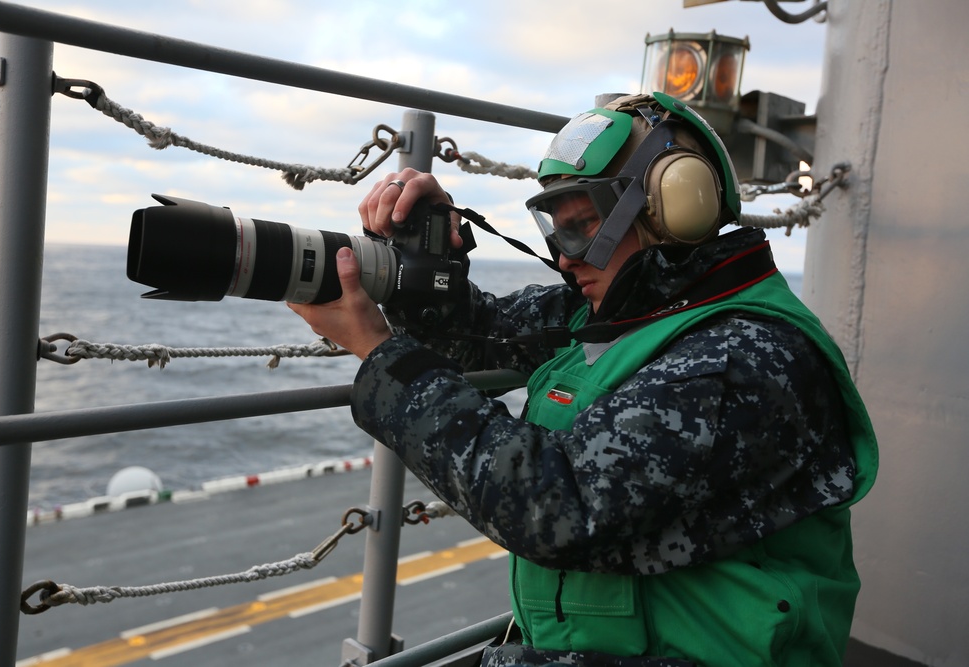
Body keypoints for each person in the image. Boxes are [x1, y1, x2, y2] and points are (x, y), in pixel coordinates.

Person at [289, 92, 878, 667]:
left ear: (676, 206)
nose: (566, 257)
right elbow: (478, 337)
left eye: (583, 226)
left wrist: (378, 352)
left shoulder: (744, 356)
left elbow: (556, 505)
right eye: (557, 229)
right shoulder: (626, 307)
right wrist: (431, 249)